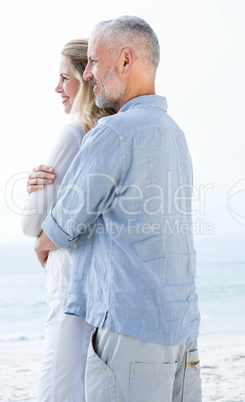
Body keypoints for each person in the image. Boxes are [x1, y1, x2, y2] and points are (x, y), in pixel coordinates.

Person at [34, 16, 202, 401]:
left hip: (130, 334)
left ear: (125, 60)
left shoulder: (113, 133)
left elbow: (60, 229)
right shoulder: (174, 133)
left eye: (93, 61)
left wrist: (40, 243)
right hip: (182, 337)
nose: (88, 73)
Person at [21, 39, 114, 401]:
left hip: (68, 290)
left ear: (86, 79)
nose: (57, 88)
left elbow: (31, 226)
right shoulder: (106, 136)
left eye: (65, 78)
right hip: (98, 290)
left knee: (55, 392)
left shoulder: (73, 133)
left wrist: (35, 195)